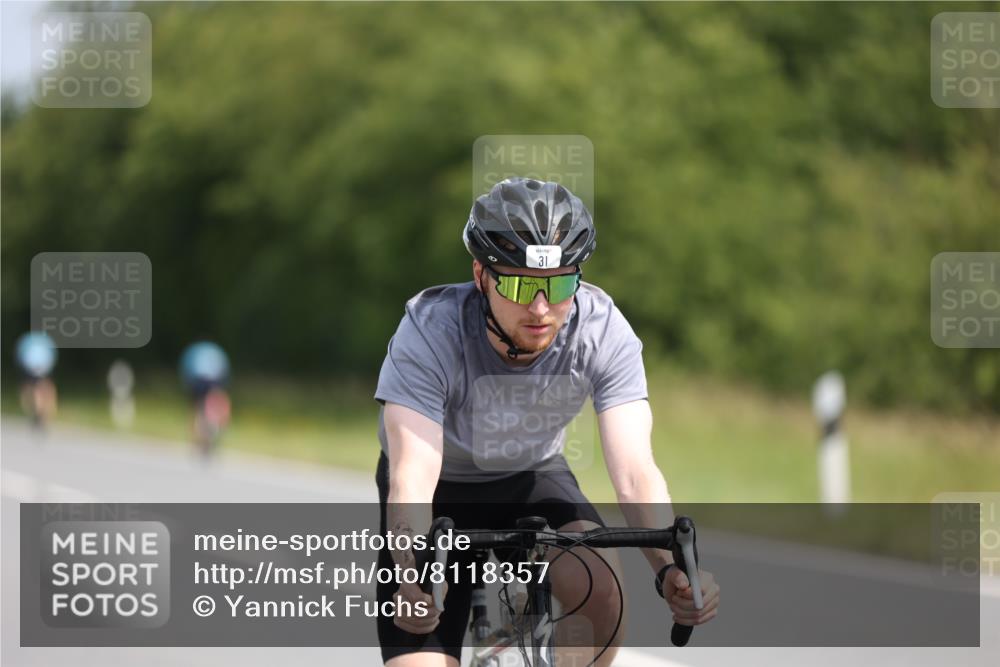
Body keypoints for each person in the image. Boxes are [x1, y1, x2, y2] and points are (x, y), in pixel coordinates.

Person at [373, 178, 720, 666]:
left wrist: (671, 573)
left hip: (531, 476)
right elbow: (412, 476)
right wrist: (411, 574)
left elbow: (636, 472)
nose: (540, 308)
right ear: (481, 275)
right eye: (519, 285)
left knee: (602, 588)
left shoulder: (601, 329)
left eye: (559, 285)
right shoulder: (429, 331)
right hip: (441, 488)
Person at [179, 341, 231, 457]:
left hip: (197, 381)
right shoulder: (216, 350)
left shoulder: (194, 349)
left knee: (196, 408)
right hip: (215, 382)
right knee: (217, 404)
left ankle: (195, 438)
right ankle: (215, 429)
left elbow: (186, 367)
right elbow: (225, 369)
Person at [15, 331, 58, 430]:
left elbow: (20, 353)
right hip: (44, 367)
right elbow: (53, 354)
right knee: (44, 389)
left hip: (30, 367)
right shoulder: (45, 339)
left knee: (31, 389)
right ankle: (43, 412)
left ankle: (36, 412)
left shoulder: (27, 339)